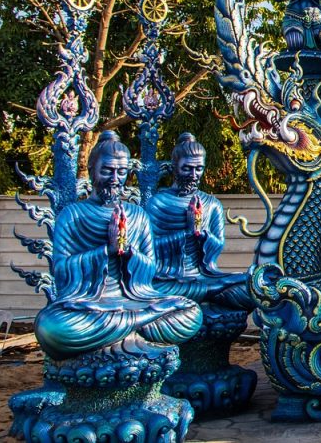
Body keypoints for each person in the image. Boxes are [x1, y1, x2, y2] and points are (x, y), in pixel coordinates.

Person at [34, 131, 202, 360]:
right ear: (93, 170)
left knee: (191, 312)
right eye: (108, 171)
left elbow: (151, 268)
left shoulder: (138, 215)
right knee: (51, 327)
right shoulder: (73, 214)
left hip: (133, 299)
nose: (115, 178)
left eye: (121, 172)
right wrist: (107, 251)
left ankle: (125, 327)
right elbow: (61, 269)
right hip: (89, 305)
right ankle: (134, 328)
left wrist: (129, 252)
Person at [146, 133, 253, 310]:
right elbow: (150, 249)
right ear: (174, 167)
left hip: (204, 275)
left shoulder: (211, 204)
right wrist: (186, 234)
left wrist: (202, 235)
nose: (193, 175)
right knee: (157, 292)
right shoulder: (158, 203)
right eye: (187, 168)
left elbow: (218, 245)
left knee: (248, 288)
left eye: (199, 168)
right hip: (169, 279)